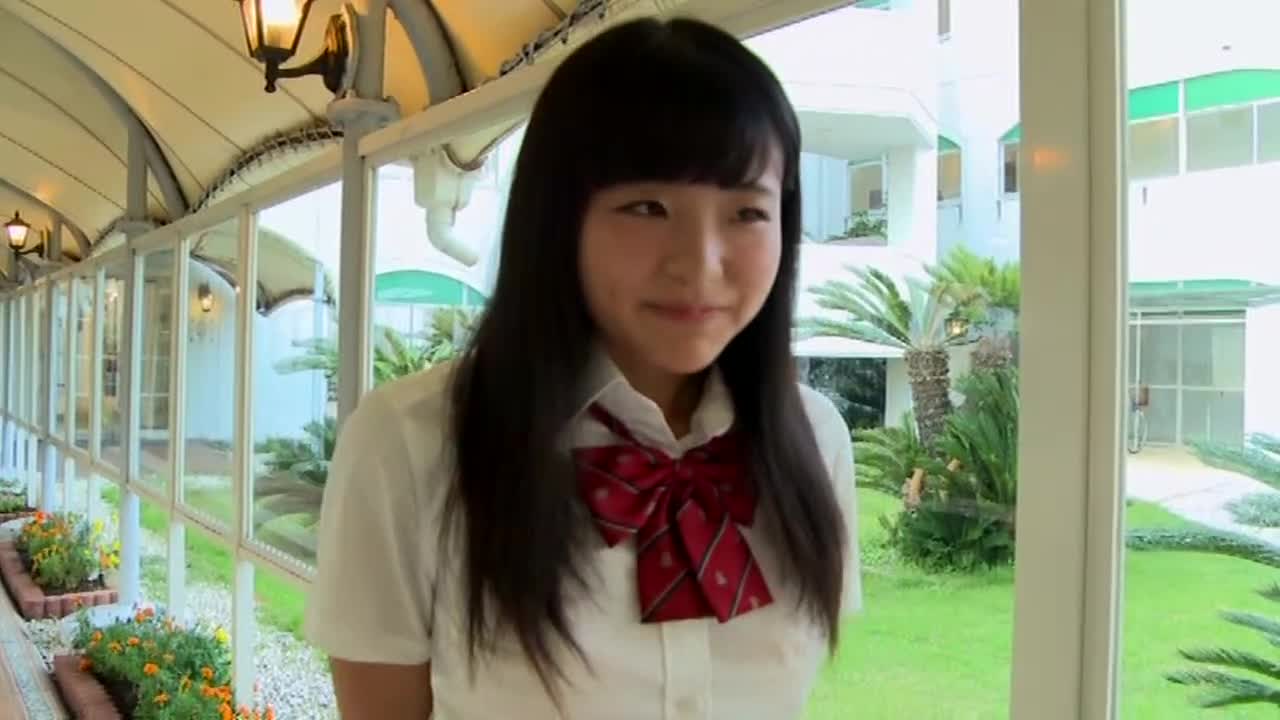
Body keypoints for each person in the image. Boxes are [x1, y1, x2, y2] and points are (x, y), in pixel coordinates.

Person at [304, 15, 861, 720]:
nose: (700, 264)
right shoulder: (410, 443)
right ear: (558, 218)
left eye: (747, 212)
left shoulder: (816, 439)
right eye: (647, 206)